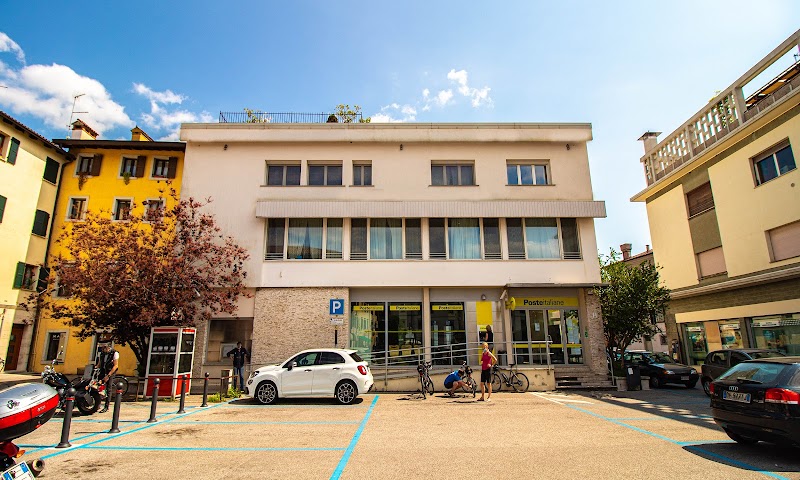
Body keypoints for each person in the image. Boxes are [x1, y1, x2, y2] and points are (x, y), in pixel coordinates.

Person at [96, 344, 119, 413]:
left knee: (108, 388)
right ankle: (97, 404)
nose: (104, 350)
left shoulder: (115, 353)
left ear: (109, 348)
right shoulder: (102, 353)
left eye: (105, 348)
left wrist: (108, 376)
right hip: (103, 371)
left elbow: (115, 366)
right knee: (98, 386)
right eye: (103, 348)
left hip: (110, 371)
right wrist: (95, 367)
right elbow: (100, 363)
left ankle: (106, 406)